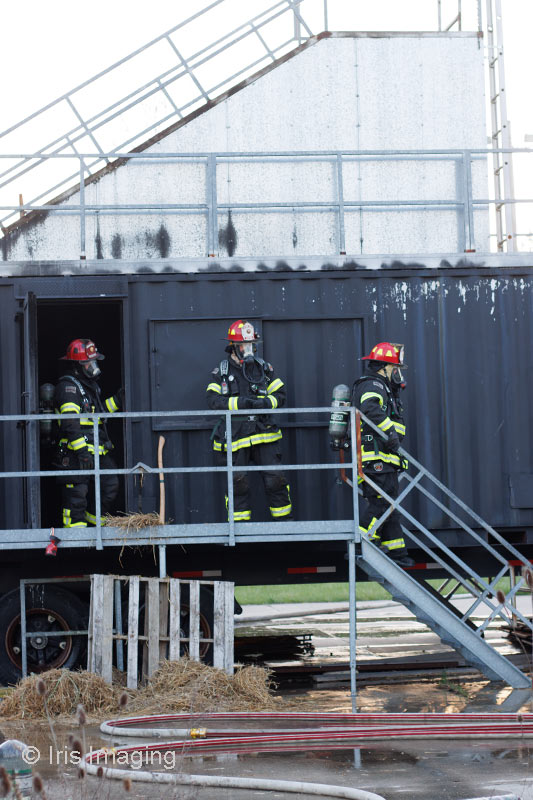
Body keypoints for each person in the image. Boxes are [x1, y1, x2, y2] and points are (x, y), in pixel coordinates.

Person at [206, 319, 292, 522]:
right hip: (236, 436)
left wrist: (265, 403)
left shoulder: (264, 368)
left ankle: (284, 526)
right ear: (233, 347)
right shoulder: (222, 372)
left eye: (251, 344)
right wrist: (240, 403)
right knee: (238, 483)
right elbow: (213, 400)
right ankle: (239, 529)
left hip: (264, 433)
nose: (248, 349)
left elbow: (280, 395)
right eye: (244, 345)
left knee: (276, 481)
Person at [352, 342, 414, 567]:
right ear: (384, 367)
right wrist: (390, 434)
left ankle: (397, 552)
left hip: (385, 458)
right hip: (375, 457)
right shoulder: (373, 384)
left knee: (389, 505)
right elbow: (370, 409)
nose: (397, 374)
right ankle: (361, 541)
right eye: (395, 368)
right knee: (381, 502)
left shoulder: (384, 387)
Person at [53, 339, 123, 528]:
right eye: (88, 363)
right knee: (77, 496)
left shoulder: (88, 386)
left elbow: (98, 414)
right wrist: (82, 452)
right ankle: (75, 537)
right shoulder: (68, 388)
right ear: (77, 366)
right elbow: (70, 423)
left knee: (110, 485)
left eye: (94, 362)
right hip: (75, 453)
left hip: (96, 450)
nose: (93, 367)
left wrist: (118, 400)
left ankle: (93, 528)